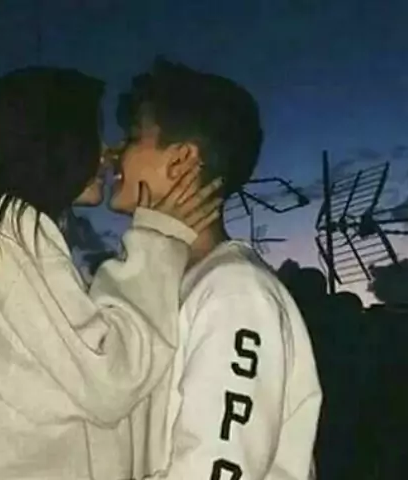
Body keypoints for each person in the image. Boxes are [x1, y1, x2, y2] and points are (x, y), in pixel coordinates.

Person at [0, 66, 223, 480]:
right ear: (53, 140)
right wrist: (156, 243)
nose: (106, 154)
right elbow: (109, 375)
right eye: (92, 134)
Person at [112, 58, 322, 479]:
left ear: (182, 159)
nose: (116, 153)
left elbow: (218, 465)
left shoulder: (234, 290)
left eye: (133, 137)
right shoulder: (176, 285)